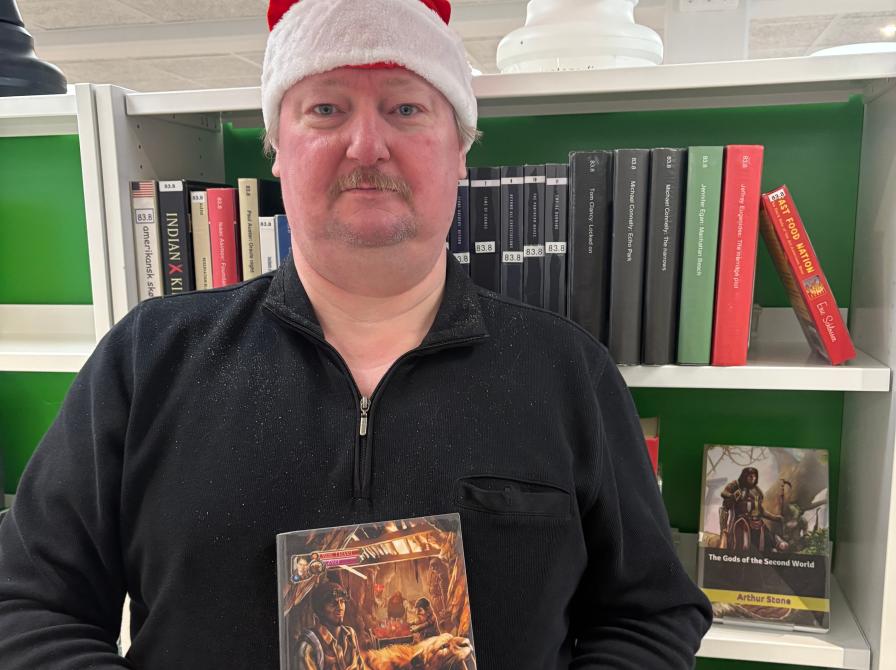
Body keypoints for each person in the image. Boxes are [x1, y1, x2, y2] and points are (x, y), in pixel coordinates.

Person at [0, 0, 711, 667]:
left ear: (460, 149)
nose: (366, 146)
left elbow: (649, 614)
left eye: (406, 108)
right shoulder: (147, 359)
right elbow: (28, 603)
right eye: (325, 108)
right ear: (277, 148)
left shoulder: (568, 371)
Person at [296, 582, 366, 670]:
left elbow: (360, 667)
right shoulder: (308, 645)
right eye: (333, 603)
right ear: (320, 609)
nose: (340, 607)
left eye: (342, 601)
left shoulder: (350, 635)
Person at [719, 467, 783, 552]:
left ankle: (773, 544)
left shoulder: (756, 491)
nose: (753, 478)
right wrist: (734, 496)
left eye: (755, 476)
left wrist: (774, 517)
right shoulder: (735, 485)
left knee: (762, 530)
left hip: (754, 521)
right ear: (745, 476)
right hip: (739, 521)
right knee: (743, 539)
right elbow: (724, 495)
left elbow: (760, 511)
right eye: (750, 476)